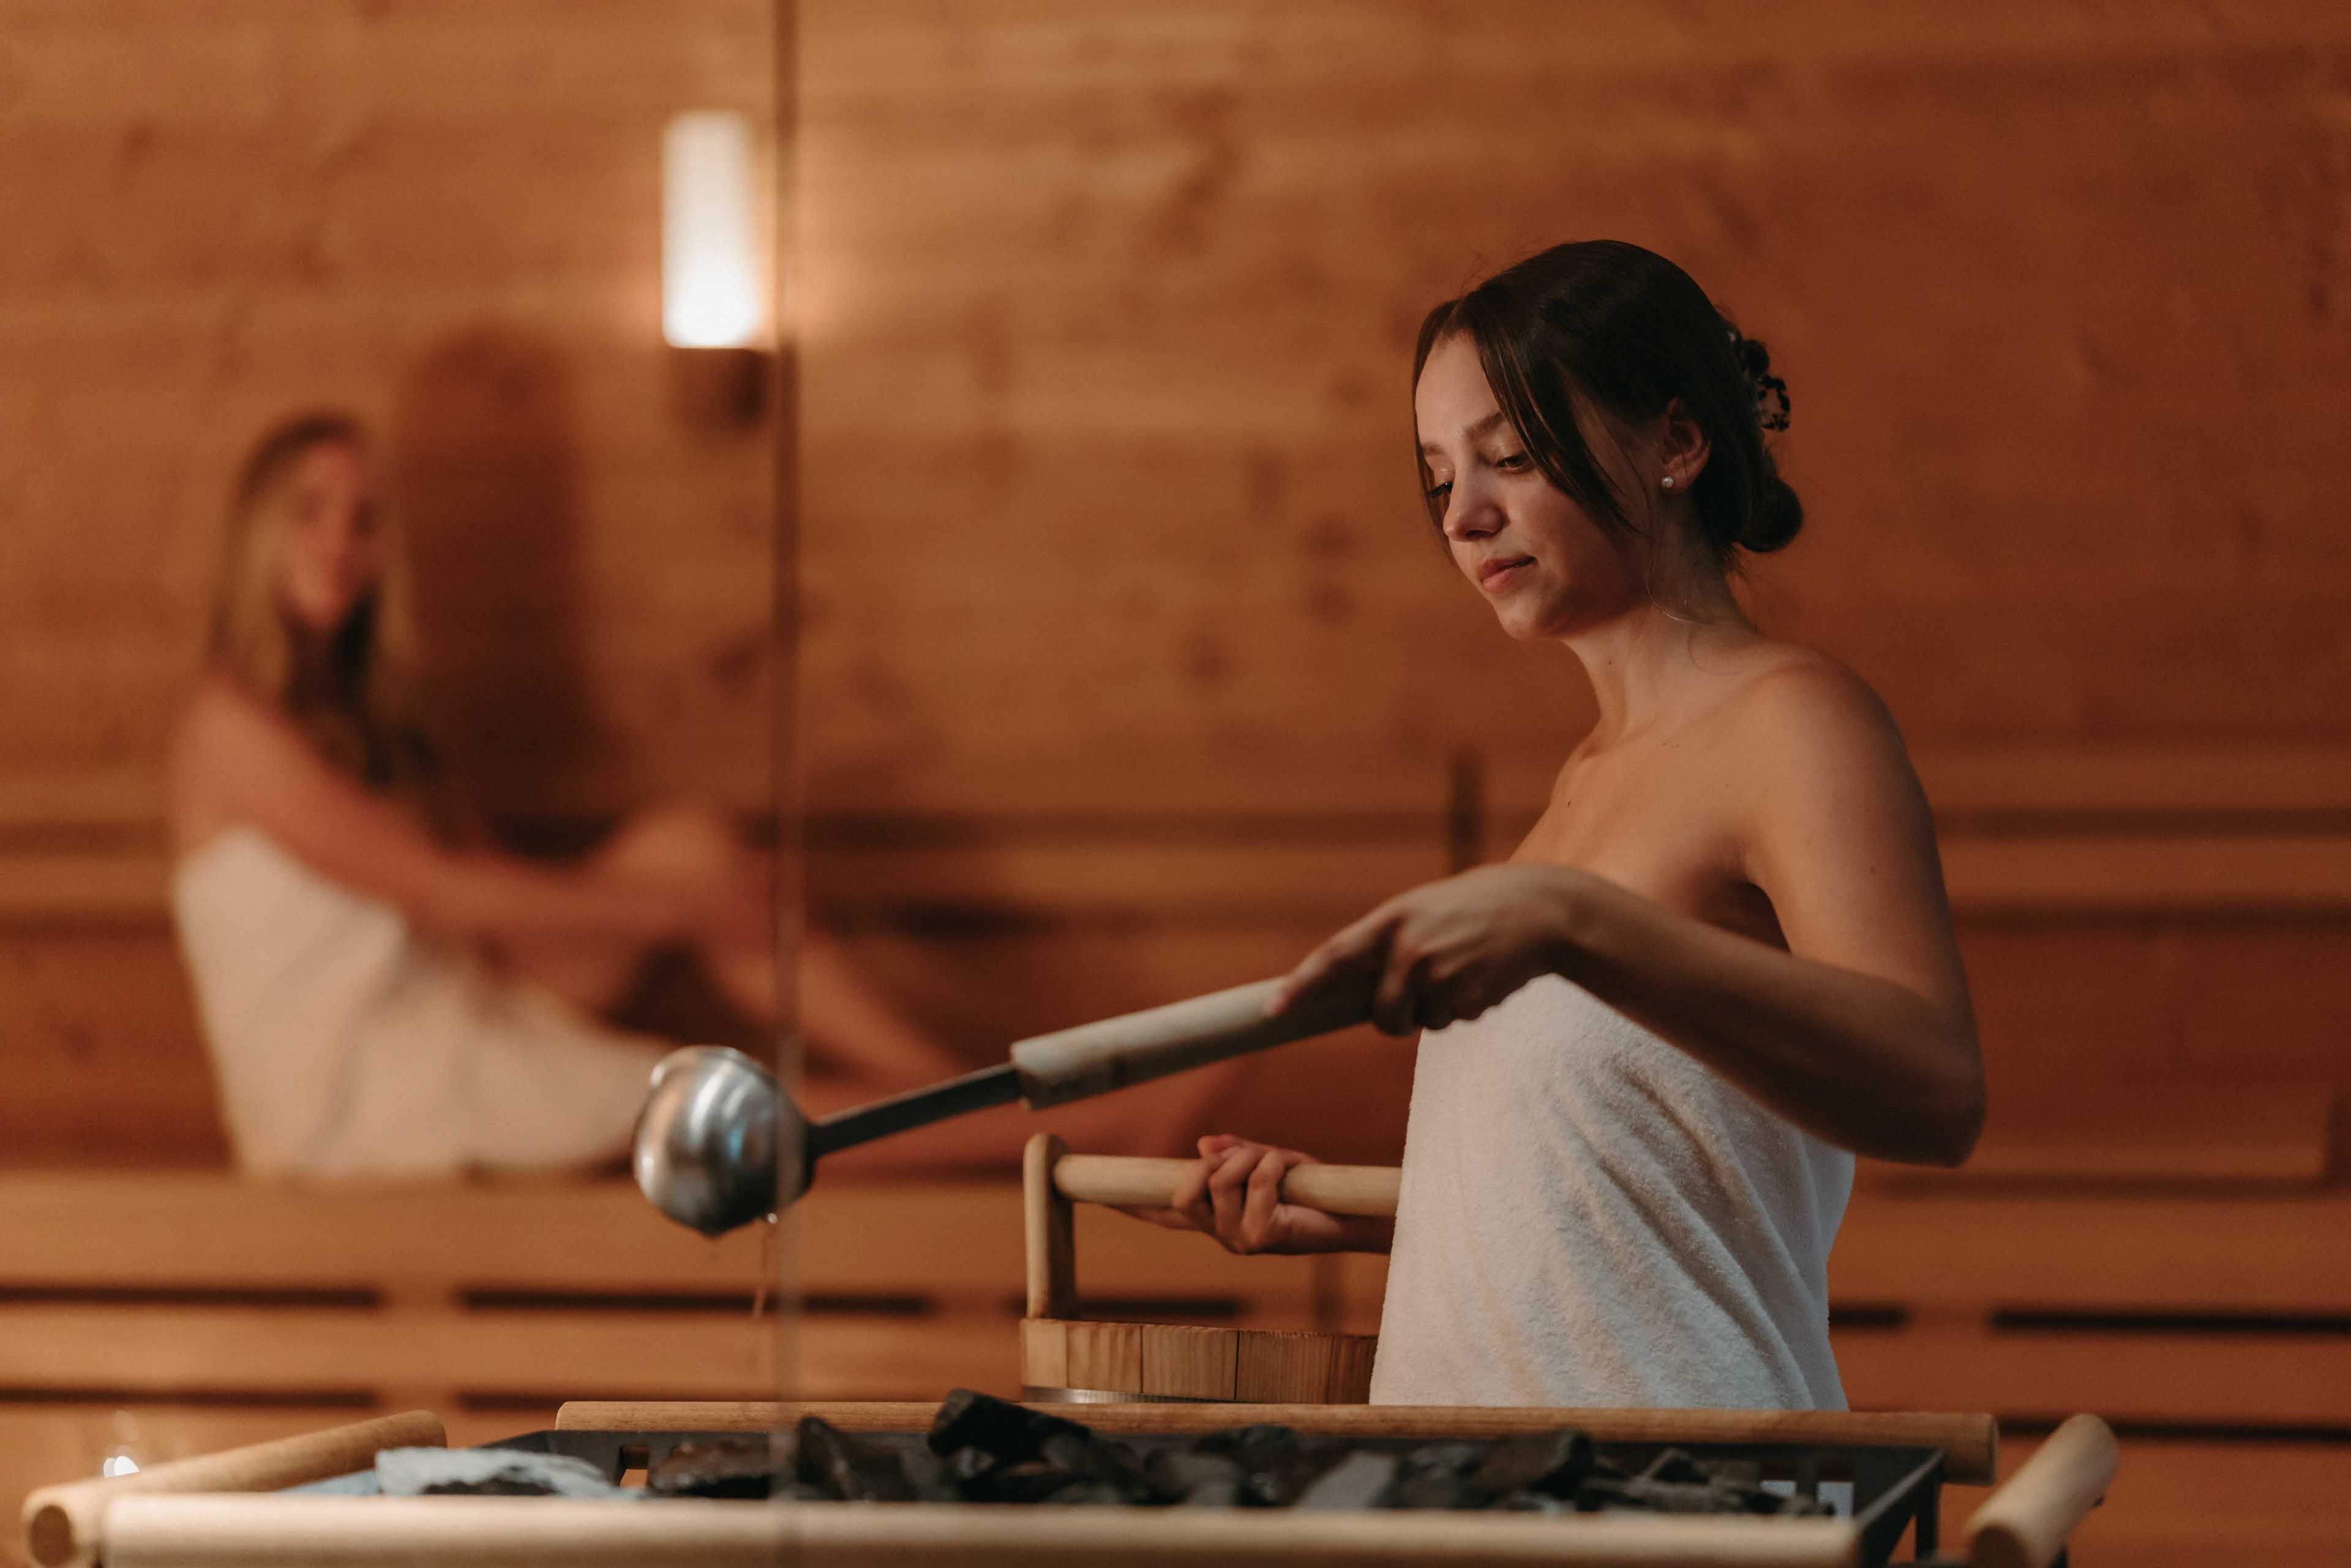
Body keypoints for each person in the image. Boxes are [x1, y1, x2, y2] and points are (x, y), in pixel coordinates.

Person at [1125, 241, 1985, 1410]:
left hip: (1686, 1502)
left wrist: (1575, 923)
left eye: (1512, 457)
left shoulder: (1794, 723)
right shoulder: (1581, 785)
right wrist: (1374, 1207)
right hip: (1484, 1498)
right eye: (1439, 478)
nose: (1466, 517)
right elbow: (1629, 1197)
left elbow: (1933, 1089)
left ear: (1678, 443)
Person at [166, 413, 975, 1179]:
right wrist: (687, 910)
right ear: (256, 530)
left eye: (365, 519)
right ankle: (992, 1122)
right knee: (698, 1100)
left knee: (689, 844)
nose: (339, 541)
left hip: (453, 1009)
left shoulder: (379, 722)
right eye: (309, 510)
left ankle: (949, 1096)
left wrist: (696, 891)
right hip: (351, 1101)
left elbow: (486, 885)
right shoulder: (227, 725)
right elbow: (442, 895)